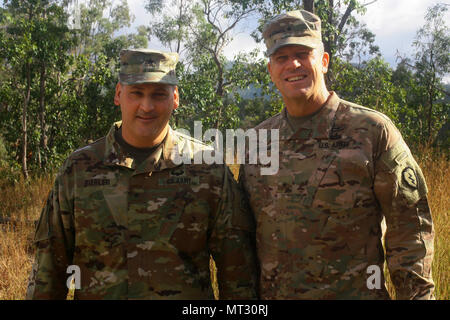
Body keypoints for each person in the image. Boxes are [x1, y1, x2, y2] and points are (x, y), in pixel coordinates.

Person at [26, 48, 258, 300]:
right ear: (118, 94)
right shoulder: (79, 168)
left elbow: (238, 273)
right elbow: (50, 269)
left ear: (175, 97)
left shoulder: (206, 168)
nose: (146, 106)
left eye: (159, 94)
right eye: (136, 93)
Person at [238, 10, 435, 299]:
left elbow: (410, 229)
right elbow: (243, 236)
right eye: (281, 57)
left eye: (303, 53)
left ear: (324, 61)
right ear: (271, 71)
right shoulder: (257, 143)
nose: (293, 64)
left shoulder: (372, 131)